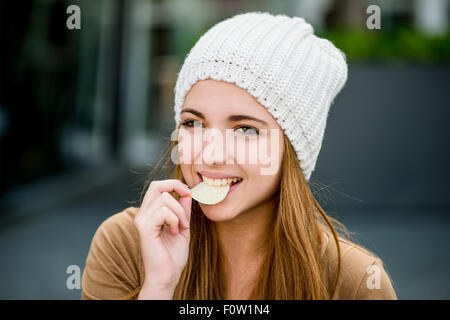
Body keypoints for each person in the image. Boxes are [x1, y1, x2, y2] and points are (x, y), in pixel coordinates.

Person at [81, 12, 397, 300]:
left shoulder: (355, 282)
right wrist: (159, 287)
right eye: (194, 123)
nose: (212, 154)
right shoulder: (127, 245)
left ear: (292, 149)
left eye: (245, 129)